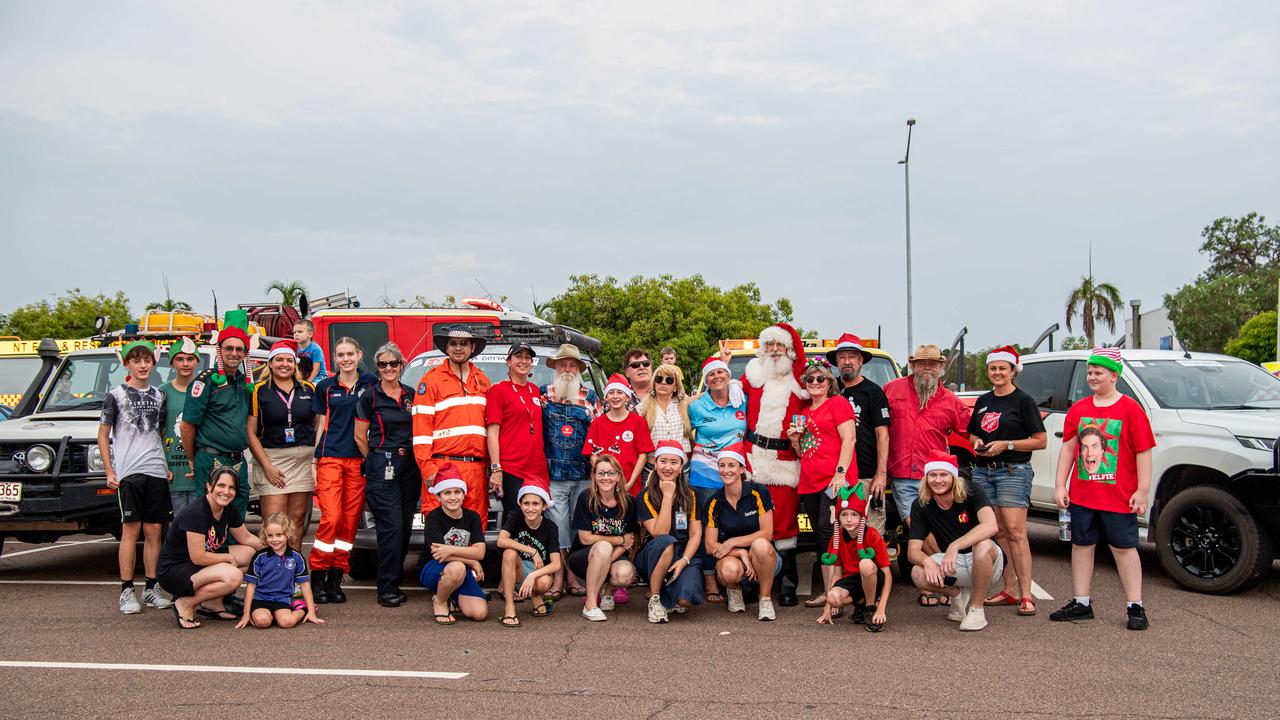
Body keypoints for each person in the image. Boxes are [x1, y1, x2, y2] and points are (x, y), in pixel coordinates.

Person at [1051, 347, 1155, 631]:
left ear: (1114, 375)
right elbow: (1069, 448)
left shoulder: (1131, 409)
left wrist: (1142, 490)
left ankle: (1135, 605)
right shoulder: (1079, 409)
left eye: (1098, 372)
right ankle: (1081, 601)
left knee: (1124, 548)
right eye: (1090, 372)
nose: (1092, 377)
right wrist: (1061, 484)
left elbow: (1144, 452)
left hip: (1118, 497)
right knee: (1081, 546)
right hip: (1083, 496)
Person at [884, 343, 972, 607]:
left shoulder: (950, 400)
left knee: (938, 530)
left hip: (937, 477)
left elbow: (971, 431)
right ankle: (945, 582)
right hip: (902, 475)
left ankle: (934, 585)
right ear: (912, 366)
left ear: (941, 368)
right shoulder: (892, 389)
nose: (927, 368)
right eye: (921, 363)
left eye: (932, 364)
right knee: (918, 527)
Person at [967, 346, 1047, 616]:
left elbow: (1040, 440)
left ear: (1014, 371)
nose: (998, 373)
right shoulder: (983, 401)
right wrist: (977, 442)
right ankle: (1009, 589)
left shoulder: (1023, 401)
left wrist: (1007, 445)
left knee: (1015, 531)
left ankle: (1026, 595)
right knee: (996, 531)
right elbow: (972, 435)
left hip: (1013, 470)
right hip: (983, 470)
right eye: (993, 368)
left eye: (1003, 368)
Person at [99, 340, 173, 615]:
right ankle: (126, 590)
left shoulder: (158, 395)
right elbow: (103, 436)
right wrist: (110, 470)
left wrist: (164, 465)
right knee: (131, 530)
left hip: (155, 470)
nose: (142, 365)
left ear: (153, 364)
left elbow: (159, 433)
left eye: (146, 360)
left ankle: (151, 589)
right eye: (136, 360)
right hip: (129, 472)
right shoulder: (115, 395)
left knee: (155, 531)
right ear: (127, 364)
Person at [740, 322, 807, 606]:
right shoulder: (753, 376)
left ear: (789, 349)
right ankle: (754, 580)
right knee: (753, 522)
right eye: (770, 345)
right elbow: (725, 397)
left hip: (785, 462)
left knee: (785, 525)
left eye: (780, 344)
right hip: (754, 458)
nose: (775, 350)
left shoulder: (799, 380)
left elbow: (802, 358)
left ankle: (788, 583)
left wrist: (788, 331)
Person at [355, 342, 422, 608]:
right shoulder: (369, 397)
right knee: (391, 527)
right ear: (377, 368)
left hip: (411, 465)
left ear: (401, 366)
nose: (388, 368)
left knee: (405, 526)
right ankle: (387, 587)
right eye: (383, 364)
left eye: (393, 363)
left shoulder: (411, 394)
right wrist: (375, 458)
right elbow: (360, 436)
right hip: (383, 463)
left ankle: (395, 577)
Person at [309, 336, 375, 604]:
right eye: (340, 354)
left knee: (349, 523)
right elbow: (321, 424)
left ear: (359, 355)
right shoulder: (325, 386)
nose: (345, 359)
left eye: (350, 353)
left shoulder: (370, 382)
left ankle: (336, 577)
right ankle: (318, 575)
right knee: (331, 518)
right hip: (330, 458)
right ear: (334, 358)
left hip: (358, 460)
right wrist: (314, 461)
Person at [157, 467, 265, 630]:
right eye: (221, 486)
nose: (226, 492)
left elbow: (247, 538)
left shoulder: (228, 508)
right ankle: (185, 603)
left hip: (198, 563)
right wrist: (228, 558)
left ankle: (212, 602)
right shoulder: (197, 512)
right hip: (175, 570)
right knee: (233, 576)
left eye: (231, 487)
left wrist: (276, 551)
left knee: (250, 554)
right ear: (209, 486)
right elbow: (198, 557)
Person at [787, 357, 856, 610]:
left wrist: (840, 473)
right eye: (810, 379)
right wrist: (795, 440)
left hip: (833, 482)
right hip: (809, 482)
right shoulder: (804, 413)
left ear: (830, 382)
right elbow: (802, 453)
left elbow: (849, 439)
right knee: (821, 538)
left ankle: (834, 597)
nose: (815, 383)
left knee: (830, 535)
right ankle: (830, 593)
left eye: (820, 379)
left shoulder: (838, 403)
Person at [908, 452, 1002, 631]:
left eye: (943, 474)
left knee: (982, 545)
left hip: (986, 561)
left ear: (953, 477)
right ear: (926, 478)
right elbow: (913, 551)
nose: (937, 480)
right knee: (917, 573)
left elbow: (991, 526)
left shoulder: (972, 490)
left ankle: (977, 610)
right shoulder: (920, 504)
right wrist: (927, 561)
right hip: (952, 564)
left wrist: (955, 545)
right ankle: (957, 595)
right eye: (932, 475)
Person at [180, 310, 255, 523]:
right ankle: (209, 556)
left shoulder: (244, 383)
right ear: (219, 350)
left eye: (239, 349)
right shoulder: (205, 382)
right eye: (229, 348)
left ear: (245, 353)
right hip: (211, 458)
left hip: (238, 459)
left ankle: (231, 555)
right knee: (210, 517)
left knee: (237, 514)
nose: (234, 353)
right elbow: (187, 426)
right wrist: (193, 460)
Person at [414, 325, 492, 528]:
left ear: (472, 347)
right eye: (454, 343)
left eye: (464, 343)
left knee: (476, 529)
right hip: (444, 466)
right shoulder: (431, 380)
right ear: (446, 347)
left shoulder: (482, 380)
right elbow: (421, 432)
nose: (459, 348)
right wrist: (428, 468)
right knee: (443, 532)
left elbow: (490, 428)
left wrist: (492, 467)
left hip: (476, 468)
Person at [540, 343, 600, 599]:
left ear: (579, 369)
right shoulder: (544, 394)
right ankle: (560, 576)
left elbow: (598, 435)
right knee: (558, 527)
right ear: (555, 368)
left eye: (572, 365)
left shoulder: (590, 397)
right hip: (554, 473)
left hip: (583, 473)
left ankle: (574, 573)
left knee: (579, 528)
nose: (567, 369)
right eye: (562, 364)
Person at [687, 353, 746, 604]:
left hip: (734, 471)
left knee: (733, 524)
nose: (717, 377)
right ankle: (710, 580)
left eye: (720, 372)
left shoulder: (741, 399)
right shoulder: (697, 406)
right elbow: (683, 430)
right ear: (706, 381)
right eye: (711, 374)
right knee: (707, 526)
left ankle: (734, 578)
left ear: (728, 375)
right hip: (705, 471)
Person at [246, 340, 317, 551]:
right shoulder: (259, 390)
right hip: (272, 458)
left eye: (288, 360)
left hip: (303, 459)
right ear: (270, 363)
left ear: (294, 363)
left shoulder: (308, 388)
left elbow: (318, 425)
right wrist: (267, 466)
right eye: (279, 360)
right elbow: (250, 432)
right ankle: (272, 573)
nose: (284, 364)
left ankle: (293, 572)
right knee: (274, 523)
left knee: (296, 521)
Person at [705, 443, 780, 621]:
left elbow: (767, 533)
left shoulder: (758, 492)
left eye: (731, 465)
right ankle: (734, 590)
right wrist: (739, 552)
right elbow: (710, 545)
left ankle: (765, 598)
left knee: (761, 544)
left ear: (741, 468)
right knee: (729, 570)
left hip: (762, 557)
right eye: (722, 466)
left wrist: (732, 541)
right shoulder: (714, 501)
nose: (726, 470)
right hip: (732, 557)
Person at [827, 334, 890, 535]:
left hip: (866, 475)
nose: (847, 362)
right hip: (835, 477)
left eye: (852, 357)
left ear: (861, 361)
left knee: (870, 533)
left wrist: (880, 475)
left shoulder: (874, 392)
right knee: (837, 534)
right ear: (836, 362)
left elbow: (883, 436)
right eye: (842, 357)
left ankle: (872, 567)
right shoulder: (828, 389)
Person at [635, 441, 704, 623]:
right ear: (655, 464)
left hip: (682, 554)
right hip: (654, 554)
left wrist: (684, 561)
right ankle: (655, 598)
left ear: (682, 467)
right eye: (663, 461)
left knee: (685, 600)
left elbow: (695, 534)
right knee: (667, 542)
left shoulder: (691, 494)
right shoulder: (645, 495)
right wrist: (667, 496)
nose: (668, 467)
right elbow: (660, 533)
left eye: (674, 462)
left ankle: (670, 588)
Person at [571, 455, 639, 622]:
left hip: (613, 556)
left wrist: (611, 555)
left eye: (610, 473)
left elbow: (630, 540)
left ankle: (607, 592)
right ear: (594, 476)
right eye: (601, 473)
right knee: (603, 546)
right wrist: (618, 540)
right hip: (584, 556)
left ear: (618, 476)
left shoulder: (628, 502)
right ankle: (590, 604)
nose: (606, 478)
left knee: (624, 575)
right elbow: (586, 538)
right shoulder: (585, 497)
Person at [419, 464, 489, 625]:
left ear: (464, 495)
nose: (453, 497)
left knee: (480, 613)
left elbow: (480, 552)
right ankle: (440, 601)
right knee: (457, 567)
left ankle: (452, 594)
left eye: (457, 492)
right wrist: (471, 560)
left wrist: (450, 550)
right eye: (447, 493)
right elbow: (438, 554)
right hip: (433, 567)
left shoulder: (472, 517)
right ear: (438, 497)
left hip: (459, 569)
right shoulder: (433, 518)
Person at [486, 342, 550, 518]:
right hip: (511, 468)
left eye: (527, 357)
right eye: (518, 356)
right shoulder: (498, 390)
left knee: (536, 521)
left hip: (537, 469)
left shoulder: (535, 390)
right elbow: (492, 432)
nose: (523, 361)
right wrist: (496, 468)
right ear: (508, 361)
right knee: (515, 520)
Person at [818, 484, 892, 631]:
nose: (849, 520)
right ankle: (861, 604)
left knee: (865, 563)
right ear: (838, 516)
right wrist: (827, 607)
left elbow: (888, 575)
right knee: (833, 597)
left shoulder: (872, 535)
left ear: (862, 516)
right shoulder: (837, 536)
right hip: (852, 579)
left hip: (875, 577)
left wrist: (881, 609)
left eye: (854, 514)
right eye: (844, 515)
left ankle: (870, 608)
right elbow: (837, 574)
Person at [235, 512, 323, 629]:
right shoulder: (259, 557)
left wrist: (311, 612)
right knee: (262, 622)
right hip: (260, 598)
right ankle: (269, 615)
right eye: (270, 535)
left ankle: (303, 608)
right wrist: (246, 615)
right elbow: (251, 586)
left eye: (279, 535)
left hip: (282, 598)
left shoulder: (296, 557)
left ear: (287, 534)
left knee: (287, 622)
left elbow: (305, 585)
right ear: (265, 536)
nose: (274, 539)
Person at [496, 485, 561, 627]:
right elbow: (501, 540)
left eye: (536, 503)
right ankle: (510, 607)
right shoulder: (515, 516)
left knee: (544, 582)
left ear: (544, 506)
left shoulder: (550, 527)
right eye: (526, 503)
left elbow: (556, 564)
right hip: (517, 568)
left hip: (537, 572)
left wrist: (533, 576)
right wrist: (533, 551)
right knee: (509, 552)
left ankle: (536, 596)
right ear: (520, 504)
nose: (530, 508)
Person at [584, 373, 655, 497]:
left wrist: (630, 483)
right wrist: (605, 480)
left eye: (619, 392)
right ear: (606, 397)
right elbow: (592, 455)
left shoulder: (638, 422)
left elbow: (642, 455)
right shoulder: (597, 423)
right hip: (604, 487)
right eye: (611, 392)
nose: (615, 396)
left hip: (630, 486)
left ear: (627, 396)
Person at [160, 336, 200, 514]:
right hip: (173, 468)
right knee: (178, 521)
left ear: (197, 362)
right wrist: (161, 464)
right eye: (180, 359)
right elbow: (157, 432)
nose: (185, 364)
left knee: (199, 521)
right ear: (172, 363)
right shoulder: (162, 392)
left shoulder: (205, 389)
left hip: (199, 467)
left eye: (190, 359)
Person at [638, 363, 692, 469]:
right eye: (659, 379)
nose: (663, 382)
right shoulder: (641, 407)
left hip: (681, 469)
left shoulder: (685, 405)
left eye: (669, 380)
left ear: (675, 387)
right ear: (654, 383)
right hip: (652, 469)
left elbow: (710, 393)